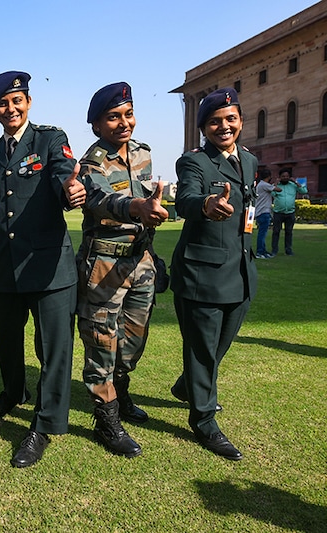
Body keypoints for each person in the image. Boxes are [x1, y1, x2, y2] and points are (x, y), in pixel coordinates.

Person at [0, 71, 85, 467]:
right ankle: (12, 393)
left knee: (53, 349)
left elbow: (64, 174)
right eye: (2, 104)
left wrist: (70, 191)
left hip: (48, 265)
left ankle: (44, 424)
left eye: (17, 100)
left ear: (28, 101)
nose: (10, 109)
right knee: (4, 336)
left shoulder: (49, 138)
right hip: (5, 264)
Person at [76, 82, 168, 458]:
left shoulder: (143, 154)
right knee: (102, 342)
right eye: (113, 117)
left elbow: (152, 200)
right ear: (97, 125)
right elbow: (100, 199)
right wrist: (136, 208)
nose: (123, 122)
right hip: (104, 266)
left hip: (141, 261)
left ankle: (121, 390)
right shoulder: (91, 162)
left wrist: (156, 214)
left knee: (131, 343)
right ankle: (106, 418)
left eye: (128, 114)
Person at [169, 87, 257, 461]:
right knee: (203, 351)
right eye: (215, 122)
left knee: (217, 346)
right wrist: (205, 203)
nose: (224, 127)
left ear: (240, 120)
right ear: (204, 128)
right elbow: (185, 200)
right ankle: (204, 420)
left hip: (240, 271)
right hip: (201, 273)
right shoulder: (194, 163)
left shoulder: (249, 160)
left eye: (230, 119)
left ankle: (189, 385)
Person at [271, 167, 307, 256]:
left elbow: (304, 191)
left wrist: (295, 182)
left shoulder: (293, 185)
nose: (285, 178)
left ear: (290, 177)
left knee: (289, 232)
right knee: (276, 232)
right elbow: (271, 193)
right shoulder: (277, 186)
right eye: (283, 176)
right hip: (278, 212)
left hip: (290, 213)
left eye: (287, 176)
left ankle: (288, 250)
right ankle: (274, 250)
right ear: (280, 177)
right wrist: (275, 184)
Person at [254, 168, 278, 259]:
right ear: (269, 176)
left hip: (260, 212)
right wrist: (276, 183)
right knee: (262, 234)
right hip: (263, 212)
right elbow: (278, 190)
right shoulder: (264, 185)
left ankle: (263, 251)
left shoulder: (261, 185)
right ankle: (260, 252)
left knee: (263, 233)